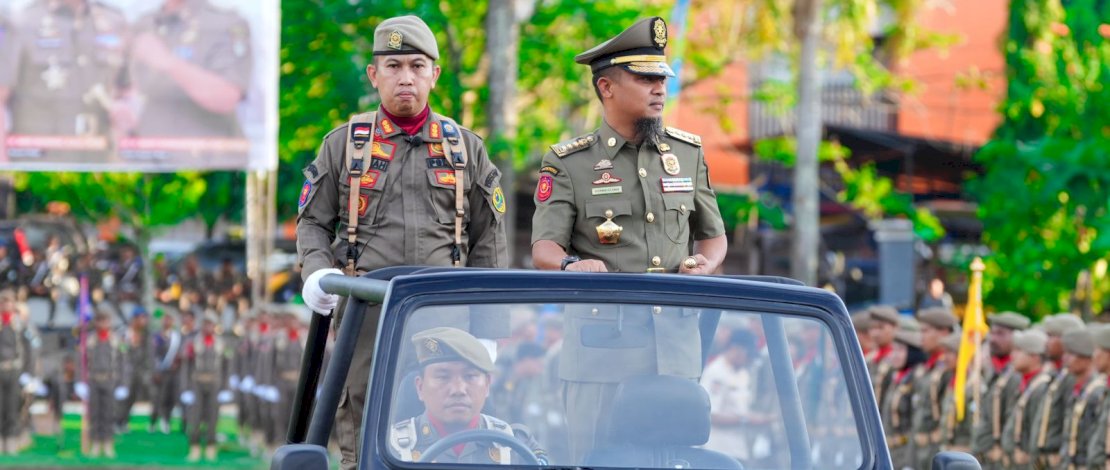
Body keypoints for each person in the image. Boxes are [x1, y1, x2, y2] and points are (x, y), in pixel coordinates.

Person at [295, 15, 509, 469]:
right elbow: (313, 221)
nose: (405, 77)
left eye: (416, 65)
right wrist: (317, 271)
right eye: (393, 66)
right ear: (374, 75)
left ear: (434, 73)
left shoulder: (465, 149)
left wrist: (488, 327)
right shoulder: (344, 146)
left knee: (451, 439)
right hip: (366, 318)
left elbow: (489, 240)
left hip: (446, 318)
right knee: (363, 426)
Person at [528, 17, 727, 461]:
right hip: (603, 355)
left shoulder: (687, 153)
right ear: (607, 88)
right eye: (645, 78)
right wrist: (569, 266)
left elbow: (714, 239)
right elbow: (544, 249)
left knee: (673, 463)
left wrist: (705, 264)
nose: (660, 88)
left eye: (662, 78)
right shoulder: (570, 163)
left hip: (675, 352)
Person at [389, 327, 547, 464]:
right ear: (420, 387)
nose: (458, 389)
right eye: (443, 377)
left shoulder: (516, 446)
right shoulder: (391, 448)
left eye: (470, 376)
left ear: (486, 385)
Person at [0, 0, 129, 161]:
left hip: (100, 161)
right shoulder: (21, 22)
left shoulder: (114, 21)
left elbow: (128, 89)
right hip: (39, 164)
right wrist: (3, 167)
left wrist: (126, 108)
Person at [122, 0, 251, 140]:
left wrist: (168, 62)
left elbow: (227, 97)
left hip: (204, 154)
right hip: (149, 152)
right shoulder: (143, 24)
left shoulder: (225, 24)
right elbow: (122, 89)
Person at [971, 312, 1029, 469]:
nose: (992, 339)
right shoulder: (996, 372)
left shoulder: (1016, 377)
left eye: (1000, 334)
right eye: (992, 332)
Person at [1031, 314, 1085, 467]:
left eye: (1051, 337)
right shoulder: (1059, 374)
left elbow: (1070, 423)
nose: (1046, 342)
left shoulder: (1072, 378)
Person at [180, 311, 234, 462]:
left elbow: (227, 368)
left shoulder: (222, 343)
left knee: (212, 416)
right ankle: (194, 447)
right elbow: (186, 367)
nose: (207, 326)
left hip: (215, 383)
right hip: (196, 383)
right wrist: (185, 389)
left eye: (210, 323)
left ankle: (211, 446)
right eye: (205, 323)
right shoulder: (192, 342)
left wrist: (226, 388)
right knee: (195, 417)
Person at [700, 329, 761, 460]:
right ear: (736, 349)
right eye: (747, 355)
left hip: (738, 449)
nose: (749, 360)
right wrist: (746, 420)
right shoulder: (716, 372)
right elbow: (710, 416)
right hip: (717, 450)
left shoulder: (742, 373)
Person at [75, 310, 130, 458]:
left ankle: (108, 444)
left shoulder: (117, 341)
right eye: (100, 320)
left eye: (106, 320)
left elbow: (123, 363)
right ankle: (96, 444)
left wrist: (124, 383)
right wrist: (80, 382)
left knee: (109, 413)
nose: (103, 324)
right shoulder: (89, 340)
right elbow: (81, 362)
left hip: (111, 381)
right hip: (93, 380)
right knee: (94, 414)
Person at [911, 307, 956, 469]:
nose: (920, 337)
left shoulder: (948, 369)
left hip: (936, 449)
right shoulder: (928, 367)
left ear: (944, 332)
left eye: (926, 331)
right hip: (919, 449)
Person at [999, 329, 1051, 470]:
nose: (1012, 356)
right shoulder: (1025, 383)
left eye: (1019, 351)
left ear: (1035, 357)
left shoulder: (1041, 388)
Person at [1056, 328, 1105, 469]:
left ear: (1086, 357)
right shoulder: (1078, 388)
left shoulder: (1097, 392)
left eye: (1071, 354)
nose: (1065, 358)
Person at [882, 326, 926, 469]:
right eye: (894, 350)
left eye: (900, 350)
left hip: (906, 453)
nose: (894, 355)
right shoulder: (897, 378)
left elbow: (917, 424)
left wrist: (910, 462)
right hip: (892, 452)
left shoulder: (917, 379)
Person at [0, 289, 32, 455]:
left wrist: (28, 372)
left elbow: (28, 350)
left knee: (12, 407)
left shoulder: (19, 324)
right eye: (3, 302)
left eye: (9, 302)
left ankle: (11, 441)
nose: (6, 305)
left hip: (14, 370)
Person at [117, 306, 154, 434]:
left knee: (132, 398)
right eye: (142, 318)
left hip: (138, 372)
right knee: (121, 398)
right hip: (124, 372)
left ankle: (124, 421)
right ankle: (117, 421)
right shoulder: (124, 333)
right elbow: (120, 352)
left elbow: (148, 354)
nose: (144, 321)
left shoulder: (146, 335)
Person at [151, 311, 181, 434]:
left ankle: (166, 420)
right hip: (160, 371)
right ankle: (153, 421)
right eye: (165, 319)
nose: (167, 321)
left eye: (170, 319)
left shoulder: (176, 337)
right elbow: (153, 355)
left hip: (172, 372)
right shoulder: (156, 336)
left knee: (170, 397)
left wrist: (176, 363)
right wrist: (156, 370)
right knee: (158, 398)